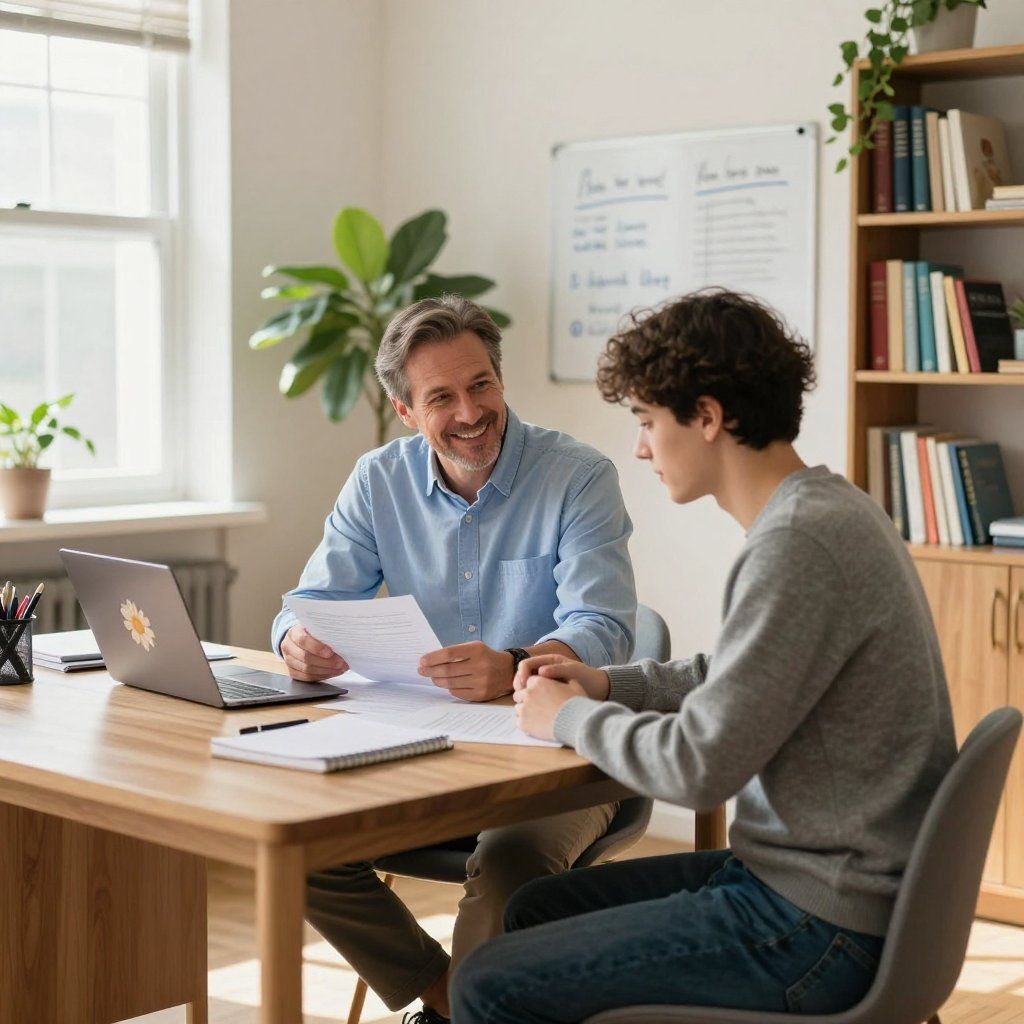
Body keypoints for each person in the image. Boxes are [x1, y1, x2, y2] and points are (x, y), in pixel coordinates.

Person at [451, 288, 957, 1023]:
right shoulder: (825, 511)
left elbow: (700, 767)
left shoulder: (797, 546)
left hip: (817, 925)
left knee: (486, 983)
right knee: (533, 909)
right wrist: (603, 681)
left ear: (709, 417)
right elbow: (729, 680)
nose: (641, 447)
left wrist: (568, 717)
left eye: (649, 421)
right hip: (823, 888)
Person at [271, 295, 636, 1023]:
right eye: (442, 397)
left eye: (481, 385)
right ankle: (449, 1003)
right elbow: (307, 600)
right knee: (294, 840)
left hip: (562, 757)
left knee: (509, 865)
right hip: (423, 747)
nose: (470, 411)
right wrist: (296, 642)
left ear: (501, 382)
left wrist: (518, 662)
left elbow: (606, 626)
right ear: (406, 411)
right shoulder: (378, 481)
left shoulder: (578, 475)